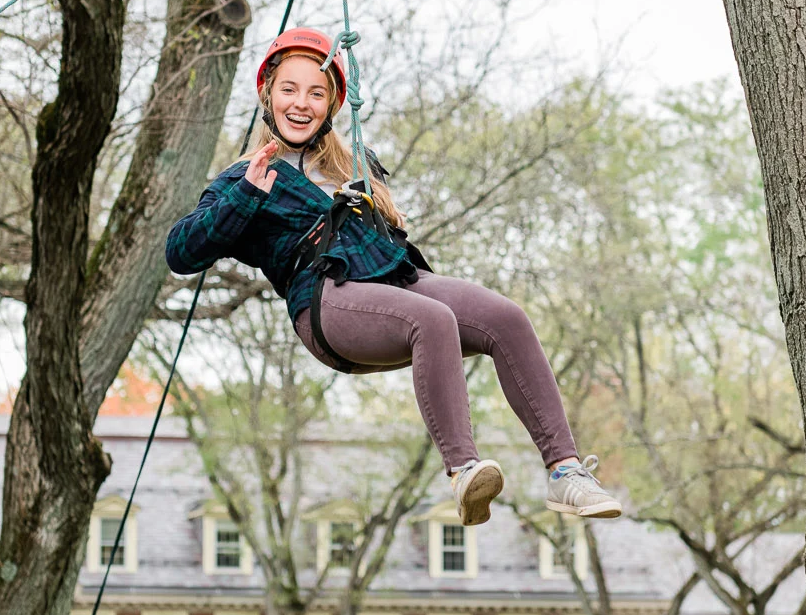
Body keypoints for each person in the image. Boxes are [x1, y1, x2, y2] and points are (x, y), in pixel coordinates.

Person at [166, 27, 622, 527]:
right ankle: (463, 469)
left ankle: (566, 472)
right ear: (267, 96)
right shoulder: (242, 178)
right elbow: (182, 251)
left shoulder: (351, 161)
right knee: (431, 319)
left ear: (333, 103)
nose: (302, 103)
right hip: (327, 301)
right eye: (289, 90)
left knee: (505, 318)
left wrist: (368, 194)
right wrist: (246, 195)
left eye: (316, 92)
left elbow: (390, 236)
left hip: (394, 281)